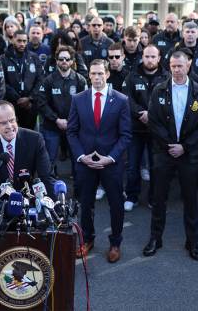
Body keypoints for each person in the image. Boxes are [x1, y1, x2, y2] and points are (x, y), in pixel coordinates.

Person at [143, 50, 198, 261]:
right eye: (173, 66)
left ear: (188, 65)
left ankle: (192, 241)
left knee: (190, 199)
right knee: (159, 197)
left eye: (180, 66)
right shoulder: (159, 90)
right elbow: (153, 121)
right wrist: (169, 144)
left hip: (189, 155)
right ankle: (155, 238)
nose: (177, 70)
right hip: (164, 153)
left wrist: (184, 147)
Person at [67, 59, 131, 263]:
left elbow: (126, 135)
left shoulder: (121, 100)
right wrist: (81, 156)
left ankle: (115, 243)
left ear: (107, 74)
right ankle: (86, 239)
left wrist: (110, 158)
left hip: (111, 163)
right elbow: (72, 131)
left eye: (100, 74)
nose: (96, 77)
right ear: (89, 75)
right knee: (85, 204)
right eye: (93, 74)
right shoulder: (78, 99)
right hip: (85, 162)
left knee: (116, 204)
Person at [0, 100, 55, 202]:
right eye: (3, 123)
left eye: (12, 120)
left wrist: (55, 209)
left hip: (28, 201)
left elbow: (46, 176)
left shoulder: (34, 139)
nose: (9, 126)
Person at [122, 44, 168, 210]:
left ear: (159, 58)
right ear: (142, 57)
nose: (149, 60)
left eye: (153, 57)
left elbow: (167, 101)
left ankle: (153, 197)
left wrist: (152, 115)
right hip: (135, 129)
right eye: (147, 56)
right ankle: (132, 196)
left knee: (156, 167)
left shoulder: (166, 77)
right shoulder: (132, 76)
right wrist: (141, 112)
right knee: (133, 165)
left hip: (156, 131)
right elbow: (127, 98)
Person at [35, 45, 87, 178]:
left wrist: (71, 121)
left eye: (67, 59)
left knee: (78, 159)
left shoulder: (80, 80)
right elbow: (41, 103)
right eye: (61, 59)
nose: (64, 61)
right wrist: (56, 119)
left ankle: (79, 191)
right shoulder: (48, 81)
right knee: (49, 159)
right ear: (56, 61)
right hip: (51, 126)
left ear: (72, 61)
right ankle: (50, 189)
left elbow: (85, 105)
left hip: (73, 126)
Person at [0, 29, 43, 130]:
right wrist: (17, 99)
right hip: (11, 105)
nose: (22, 44)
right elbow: (1, 82)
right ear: (13, 40)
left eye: (24, 41)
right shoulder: (3, 59)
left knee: (29, 136)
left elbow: (40, 80)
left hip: (30, 106)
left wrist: (30, 98)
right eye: (19, 41)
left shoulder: (34, 58)